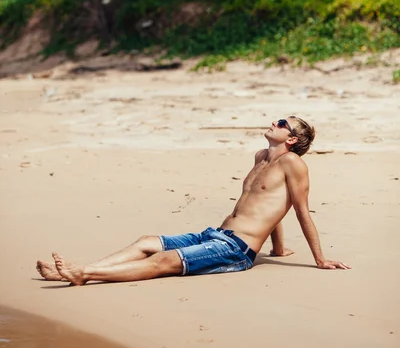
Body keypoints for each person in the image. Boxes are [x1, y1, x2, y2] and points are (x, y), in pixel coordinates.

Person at [36, 116, 351, 286]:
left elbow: (299, 210)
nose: (275, 122)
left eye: (284, 124)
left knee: (162, 262)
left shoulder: (293, 164)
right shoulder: (260, 157)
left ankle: (83, 274)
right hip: (216, 235)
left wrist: (320, 259)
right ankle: (80, 270)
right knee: (146, 241)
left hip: (235, 250)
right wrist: (278, 249)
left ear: (292, 140)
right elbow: (267, 206)